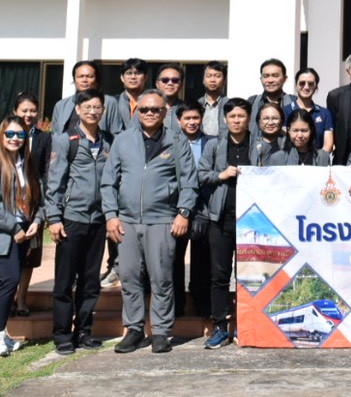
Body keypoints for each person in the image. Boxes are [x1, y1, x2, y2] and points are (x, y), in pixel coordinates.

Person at [101, 91, 196, 355]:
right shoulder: (122, 141)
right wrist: (111, 215)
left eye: (155, 109)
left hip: (162, 221)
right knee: (130, 277)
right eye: (144, 110)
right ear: (137, 112)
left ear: (165, 112)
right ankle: (133, 329)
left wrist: (183, 213)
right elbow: (108, 181)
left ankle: (162, 331)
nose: (150, 114)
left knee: (161, 278)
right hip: (127, 221)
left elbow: (189, 182)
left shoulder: (177, 141)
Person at [45, 87, 111, 355]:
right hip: (71, 218)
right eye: (87, 108)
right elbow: (55, 182)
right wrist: (54, 217)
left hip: (98, 220)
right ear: (77, 110)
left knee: (90, 280)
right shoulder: (65, 140)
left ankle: (84, 331)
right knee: (65, 280)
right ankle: (62, 334)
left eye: (97, 107)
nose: (93, 112)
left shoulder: (109, 142)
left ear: (103, 110)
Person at [0, 114, 42, 358]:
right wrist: (14, 228)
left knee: (6, 282)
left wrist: (36, 221)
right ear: (1, 136)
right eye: (10, 134)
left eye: (20, 135)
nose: (15, 139)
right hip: (3, 234)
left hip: (24, 231)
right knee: (10, 280)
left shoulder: (26, 163)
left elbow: (38, 198)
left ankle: (0, 332)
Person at [198, 98, 256, 349]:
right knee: (219, 276)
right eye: (232, 116)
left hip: (251, 221)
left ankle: (248, 325)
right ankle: (220, 326)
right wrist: (220, 175)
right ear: (224, 119)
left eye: (241, 116)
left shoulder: (259, 146)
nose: (236, 120)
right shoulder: (214, 146)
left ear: (248, 118)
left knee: (250, 277)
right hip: (220, 220)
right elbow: (200, 175)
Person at [171, 105, 212, 327]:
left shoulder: (211, 142)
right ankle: (176, 305)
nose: (192, 122)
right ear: (179, 120)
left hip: (203, 209)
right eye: (187, 118)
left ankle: (200, 302)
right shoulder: (171, 142)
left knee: (202, 260)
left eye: (196, 117)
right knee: (174, 259)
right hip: (176, 209)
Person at [12, 91, 50, 318]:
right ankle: (7, 297)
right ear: (16, 111)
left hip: (33, 205)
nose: (28, 114)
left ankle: (22, 298)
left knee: (29, 255)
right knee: (6, 254)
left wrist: (42, 208)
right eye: (24, 110)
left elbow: (46, 171)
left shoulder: (44, 138)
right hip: (9, 204)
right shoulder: (6, 134)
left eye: (32, 110)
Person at [49, 60, 101, 138]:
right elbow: (54, 133)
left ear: (96, 79)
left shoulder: (109, 103)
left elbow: (115, 133)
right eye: (80, 76)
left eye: (89, 76)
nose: (84, 80)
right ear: (74, 79)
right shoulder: (61, 105)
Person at [265, 109, 332, 166]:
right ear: (288, 131)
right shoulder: (278, 158)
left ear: (311, 131)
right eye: (295, 130)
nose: (299, 135)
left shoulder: (323, 156)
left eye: (304, 130)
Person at [105, 58, 151, 137]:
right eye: (129, 73)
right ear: (122, 78)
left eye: (137, 73)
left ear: (146, 77)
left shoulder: (153, 103)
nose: (133, 77)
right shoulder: (112, 103)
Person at [293, 67, 334, 153]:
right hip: (292, 164)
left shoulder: (324, 113)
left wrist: (318, 161)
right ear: (296, 85)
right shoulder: (286, 111)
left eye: (311, 83)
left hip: (317, 163)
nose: (306, 87)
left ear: (316, 87)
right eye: (302, 83)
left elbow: (328, 144)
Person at [197, 61, 231, 137]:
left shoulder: (230, 105)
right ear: (203, 80)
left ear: (224, 80)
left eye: (217, 76)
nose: (212, 80)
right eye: (209, 76)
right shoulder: (196, 105)